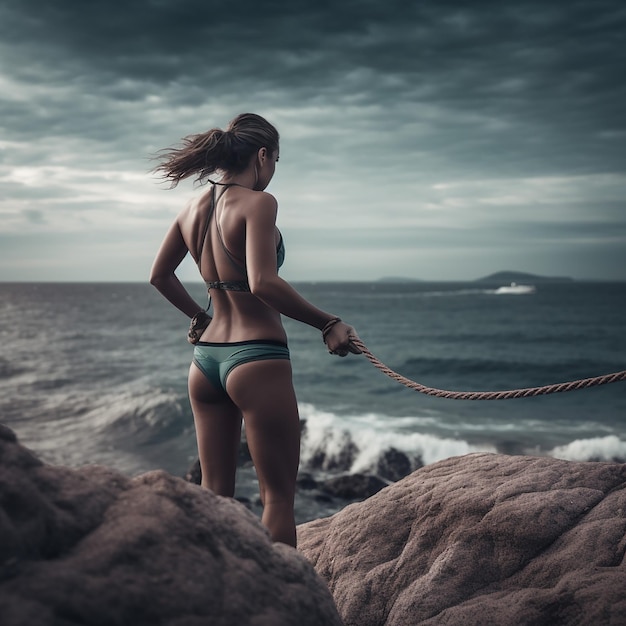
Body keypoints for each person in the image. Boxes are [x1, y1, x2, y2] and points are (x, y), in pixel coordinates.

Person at [149, 113, 360, 547]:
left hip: (205, 362)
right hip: (256, 358)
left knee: (214, 495)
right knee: (278, 499)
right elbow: (263, 283)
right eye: (276, 159)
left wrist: (199, 316)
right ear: (262, 156)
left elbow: (160, 276)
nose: (274, 170)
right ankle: (280, 605)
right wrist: (329, 323)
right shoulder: (259, 203)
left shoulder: (191, 208)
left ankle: (219, 594)